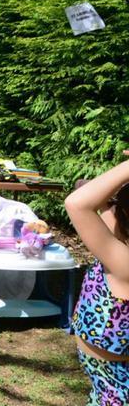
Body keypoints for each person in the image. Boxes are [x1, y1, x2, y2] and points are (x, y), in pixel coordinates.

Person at [65, 161, 129, 406]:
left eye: (114, 206)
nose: (107, 209)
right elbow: (85, 189)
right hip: (104, 382)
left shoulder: (124, 263)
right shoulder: (118, 245)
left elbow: (78, 203)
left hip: (117, 390)